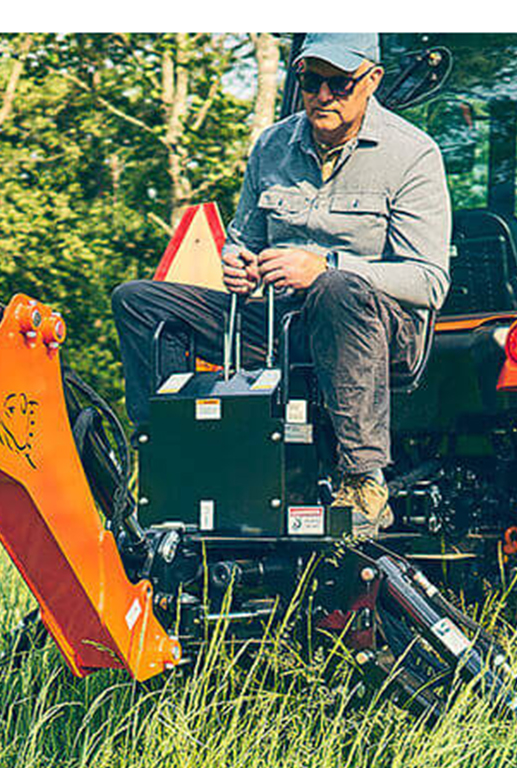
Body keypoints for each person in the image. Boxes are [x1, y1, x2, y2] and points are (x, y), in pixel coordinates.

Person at [112, 33, 451, 534]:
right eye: (311, 82)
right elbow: (241, 237)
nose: (322, 95)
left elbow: (428, 281)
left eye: (339, 83)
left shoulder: (412, 155)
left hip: (377, 329)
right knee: (139, 301)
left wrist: (325, 266)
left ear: (372, 80)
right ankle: (164, 457)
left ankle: (363, 480)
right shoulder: (272, 146)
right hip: (279, 322)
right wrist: (237, 262)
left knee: (336, 289)